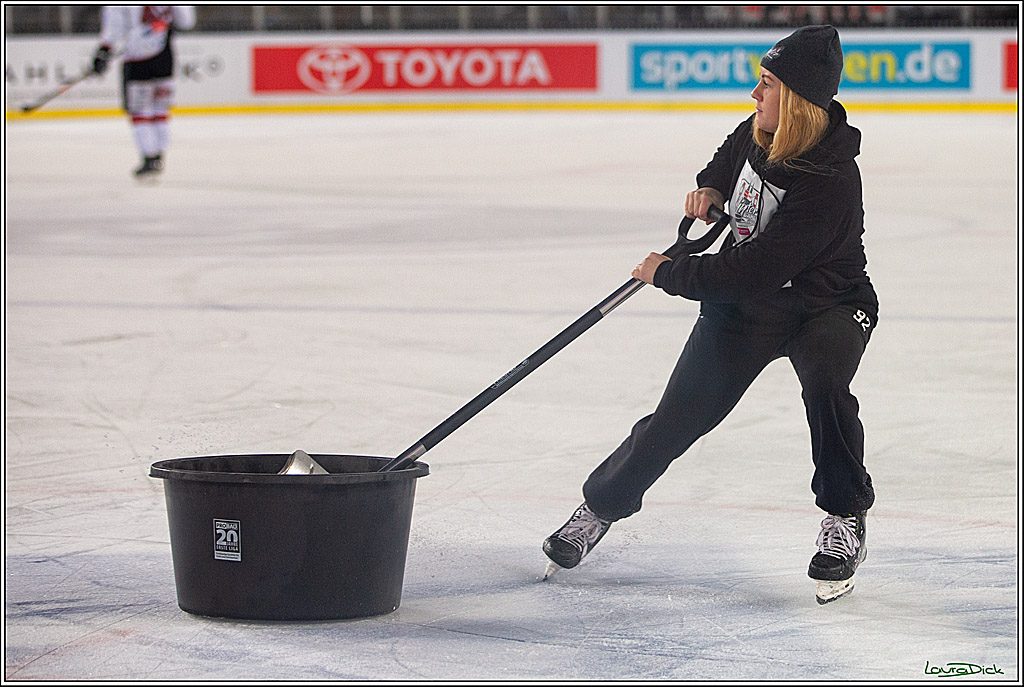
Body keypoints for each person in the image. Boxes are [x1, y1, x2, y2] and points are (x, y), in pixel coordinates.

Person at [542, 25, 879, 604]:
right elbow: (733, 150)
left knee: (826, 388)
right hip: (748, 310)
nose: (754, 94)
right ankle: (598, 508)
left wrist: (666, 272)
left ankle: (845, 518)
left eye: (766, 85)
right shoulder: (765, 132)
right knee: (677, 417)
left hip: (829, 304)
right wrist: (711, 186)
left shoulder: (831, 180)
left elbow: (750, 271)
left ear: (795, 98)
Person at [92, 5, 196, 179]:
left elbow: (114, 24)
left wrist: (104, 49)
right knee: (160, 108)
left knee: (140, 110)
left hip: (137, 56)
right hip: (166, 53)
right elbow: (186, 21)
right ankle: (158, 155)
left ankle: (149, 156)